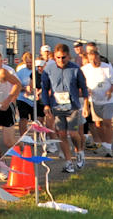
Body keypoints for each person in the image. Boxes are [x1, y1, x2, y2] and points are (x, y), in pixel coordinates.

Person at [41, 44, 90, 173]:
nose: (61, 60)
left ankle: (79, 152)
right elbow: (45, 89)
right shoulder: (49, 70)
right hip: (56, 106)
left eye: (63, 57)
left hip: (72, 106)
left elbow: (84, 88)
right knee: (61, 134)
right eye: (58, 57)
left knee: (73, 133)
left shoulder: (75, 69)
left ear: (69, 56)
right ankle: (68, 162)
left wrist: (86, 104)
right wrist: (46, 105)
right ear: (54, 57)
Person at [81, 51, 113, 157]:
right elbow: (83, 85)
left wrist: (110, 91)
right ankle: (104, 144)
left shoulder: (107, 68)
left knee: (107, 122)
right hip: (94, 100)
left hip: (108, 100)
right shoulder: (85, 69)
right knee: (98, 124)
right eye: (91, 59)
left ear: (99, 58)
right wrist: (86, 95)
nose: (94, 62)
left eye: (96, 59)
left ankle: (109, 147)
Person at [15, 53, 45, 136]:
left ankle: (37, 136)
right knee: (23, 118)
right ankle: (23, 138)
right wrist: (25, 88)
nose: (29, 64)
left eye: (31, 62)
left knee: (39, 119)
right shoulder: (20, 72)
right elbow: (16, 86)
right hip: (23, 98)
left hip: (36, 99)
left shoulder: (38, 70)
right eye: (27, 62)